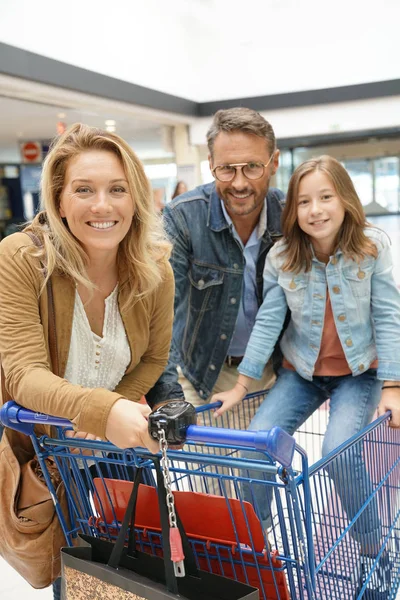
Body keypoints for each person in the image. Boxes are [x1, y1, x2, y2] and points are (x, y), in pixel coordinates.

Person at [212, 155, 400, 598]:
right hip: (301, 374)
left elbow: (389, 316)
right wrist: (242, 384)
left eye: (325, 197)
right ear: (292, 210)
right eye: (303, 201)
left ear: (345, 200)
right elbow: (268, 322)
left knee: (337, 451)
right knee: (255, 450)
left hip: (359, 374)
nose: (315, 209)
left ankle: (376, 556)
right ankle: (253, 555)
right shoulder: (284, 255)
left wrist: (393, 386)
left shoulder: (372, 247)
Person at [0, 123, 175, 598]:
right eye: (84, 190)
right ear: (59, 202)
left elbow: (156, 356)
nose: (103, 205)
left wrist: (110, 411)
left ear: (136, 198)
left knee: (138, 576)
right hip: (49, 455)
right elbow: (22, 374)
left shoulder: (155, 268)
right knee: (75, 581)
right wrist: (100, 412)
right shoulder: (21, 258)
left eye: (117, 189)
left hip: (117, 449)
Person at [146, 107, 284, 424]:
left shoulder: (290, 217)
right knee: (212, 474)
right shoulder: (183, 217)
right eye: (226, 169)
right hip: (205, 377)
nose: (239, 183)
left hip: (275, 374)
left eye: (252, 167)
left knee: (264, 472)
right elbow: (160, 314)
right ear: (210, 164)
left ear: (273, 162)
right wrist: (169, 400)